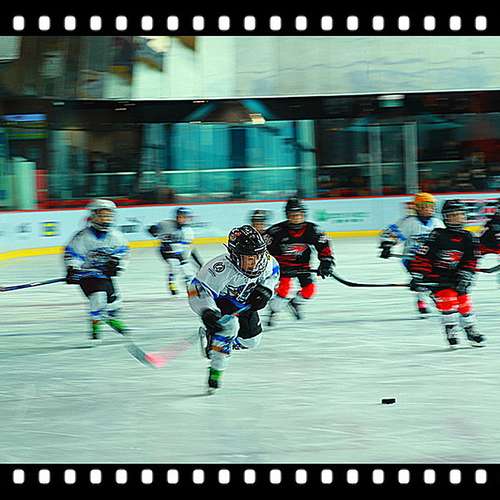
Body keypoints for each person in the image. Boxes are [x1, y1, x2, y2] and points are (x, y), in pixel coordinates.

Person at [188, 225, 279, 393]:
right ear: (235, 256)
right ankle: (216, 370)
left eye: (258, 256)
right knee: (229, 328)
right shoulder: (218, 269)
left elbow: (274, 272)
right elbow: (197, 289)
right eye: (249, 258)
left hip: (244, 304)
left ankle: (215, 341)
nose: (255, 262)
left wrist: (267, 290)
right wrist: (207, 311)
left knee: (251, 341)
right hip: (221, 303)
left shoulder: (267, 262)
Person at [409, 200, 484, 347]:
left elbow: (471, 260)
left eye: (460, 214)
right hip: (438, 277)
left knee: (464, 303)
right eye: (453, 215)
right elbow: (423, 257)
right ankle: (451, 329)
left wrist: (466, 274)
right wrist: (418, 276)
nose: (457, 218)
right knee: (448, 301)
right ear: (446, 218)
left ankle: (470, 329)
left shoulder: (469, 237)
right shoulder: (437, 235)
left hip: (457, 277)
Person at [64, 199, 130, 341]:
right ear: (93, 216)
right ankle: (95, 328)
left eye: (108, 216)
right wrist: (72, 268)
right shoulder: (83, 237)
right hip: (87, 275)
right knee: (98, 298)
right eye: (102, 215)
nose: (105, 219)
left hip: (104, 276)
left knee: (114, 303)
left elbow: (123, 253)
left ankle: (110, 318)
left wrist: (117, 264)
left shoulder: (116, 236)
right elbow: (73, 254)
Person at [264, 197, 335, 326]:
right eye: (293, 215)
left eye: (299, 214)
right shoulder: (276, 232)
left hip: (303, 266)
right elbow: (263, 251)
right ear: (287, 215)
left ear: (304, 214)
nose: (296, 217)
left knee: (309, 291)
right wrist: (270, 266)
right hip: (282, 267)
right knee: (283, 290)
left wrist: (326, 262)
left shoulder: (313, 230)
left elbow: (324, 247)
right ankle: (273, 311)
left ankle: (295, 302)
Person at [379, 192, 445, 316]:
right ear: (417, 208)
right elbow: (391, 234)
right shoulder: (409, 222)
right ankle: (422, 299)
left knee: (436, 278)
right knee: (420, 277)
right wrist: (387, 245)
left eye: (431, 206)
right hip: (412, 258)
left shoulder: (438, 223)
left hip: (432, 259)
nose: (428, 209)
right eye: (425, 206)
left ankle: (434, 295)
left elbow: (445, 241)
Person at [147, 207, 203, 295]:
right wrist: (153, 230)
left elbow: (190, 249)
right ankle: (171, 283)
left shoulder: (188, 232)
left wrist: (198, 263)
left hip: (180, 252)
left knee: (188, 270)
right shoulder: (166, 224)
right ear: (176, 217)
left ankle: (190, 286)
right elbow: (152, 230)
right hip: (166, 251)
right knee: (175, 265)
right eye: (181, 217)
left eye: (185, 217)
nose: (183, 219)